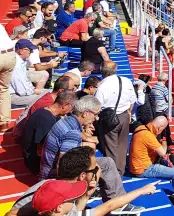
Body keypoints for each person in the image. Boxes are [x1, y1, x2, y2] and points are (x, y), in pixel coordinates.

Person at [10, 145, 157, 216]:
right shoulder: (47, 192)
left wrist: (86, 195)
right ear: (82, 176)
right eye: (95, 169)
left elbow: (77, 211)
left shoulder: (55, 191)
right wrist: (142, 190)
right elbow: (12, 214)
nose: (99, 171)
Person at [130, 115, 174, 208]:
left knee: (173, 159)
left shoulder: (142, 128)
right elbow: (163, 152)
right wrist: (164, 140)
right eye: (163, 129)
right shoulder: (148, 136)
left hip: (142, 162)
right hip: (144, 168)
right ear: (159, 127)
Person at [95, 61, 136, 175]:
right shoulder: (126, 81)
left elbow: (97, 106)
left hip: (109, 119)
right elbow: (133, 100)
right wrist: (128, 112)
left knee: (111, 148)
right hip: (124, 116)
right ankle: (120, 171)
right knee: (122, 146)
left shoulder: (102, 86)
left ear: (102, 71)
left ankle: (113, 174)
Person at [22, 90, 77, 174]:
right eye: (72, 108)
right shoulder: (46, 119)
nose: (70, 111)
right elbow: (41, 149)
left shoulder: (45, 111)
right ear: (65, 105)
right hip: (36, 163)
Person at [12, 39, 49, 107]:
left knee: (51, 93)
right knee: (47, 99)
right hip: (14, 96)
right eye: (30, 50)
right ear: (21, 51)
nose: (31, 52)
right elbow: (22, 91)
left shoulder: (21, 62)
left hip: (22, 93)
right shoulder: (16, 65)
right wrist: (35, 91)